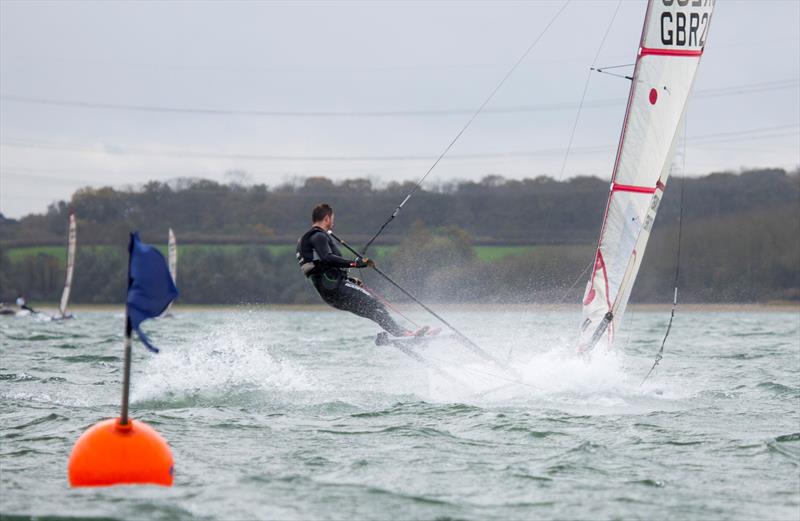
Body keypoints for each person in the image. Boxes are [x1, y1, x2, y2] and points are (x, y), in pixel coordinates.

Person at [296, 203, 422, 337]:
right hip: (336, 288)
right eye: (332, 219)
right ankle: (403, 333)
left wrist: (349, 279)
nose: (333, 222)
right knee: (375, 305)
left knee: (373, 311)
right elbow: (327, 259)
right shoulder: (319, 236)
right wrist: (355, 263)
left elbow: (321, 269)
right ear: (327, 218)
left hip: (330, 293)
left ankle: (405, 332)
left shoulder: (307, 239)